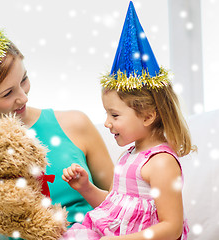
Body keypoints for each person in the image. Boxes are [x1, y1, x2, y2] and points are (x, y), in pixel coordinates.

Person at [0, 4, 114, 240]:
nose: (23, 97)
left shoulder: (75, 124)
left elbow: (123, 204)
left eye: (24, 80)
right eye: (7, 93)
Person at [61, 2, 194, 240]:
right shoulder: (130, 155)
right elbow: (116, 210)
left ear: (147, 116)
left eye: (114, 115)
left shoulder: (161, 164)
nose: (107, 123)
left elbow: (171, 228)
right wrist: (86, 188)